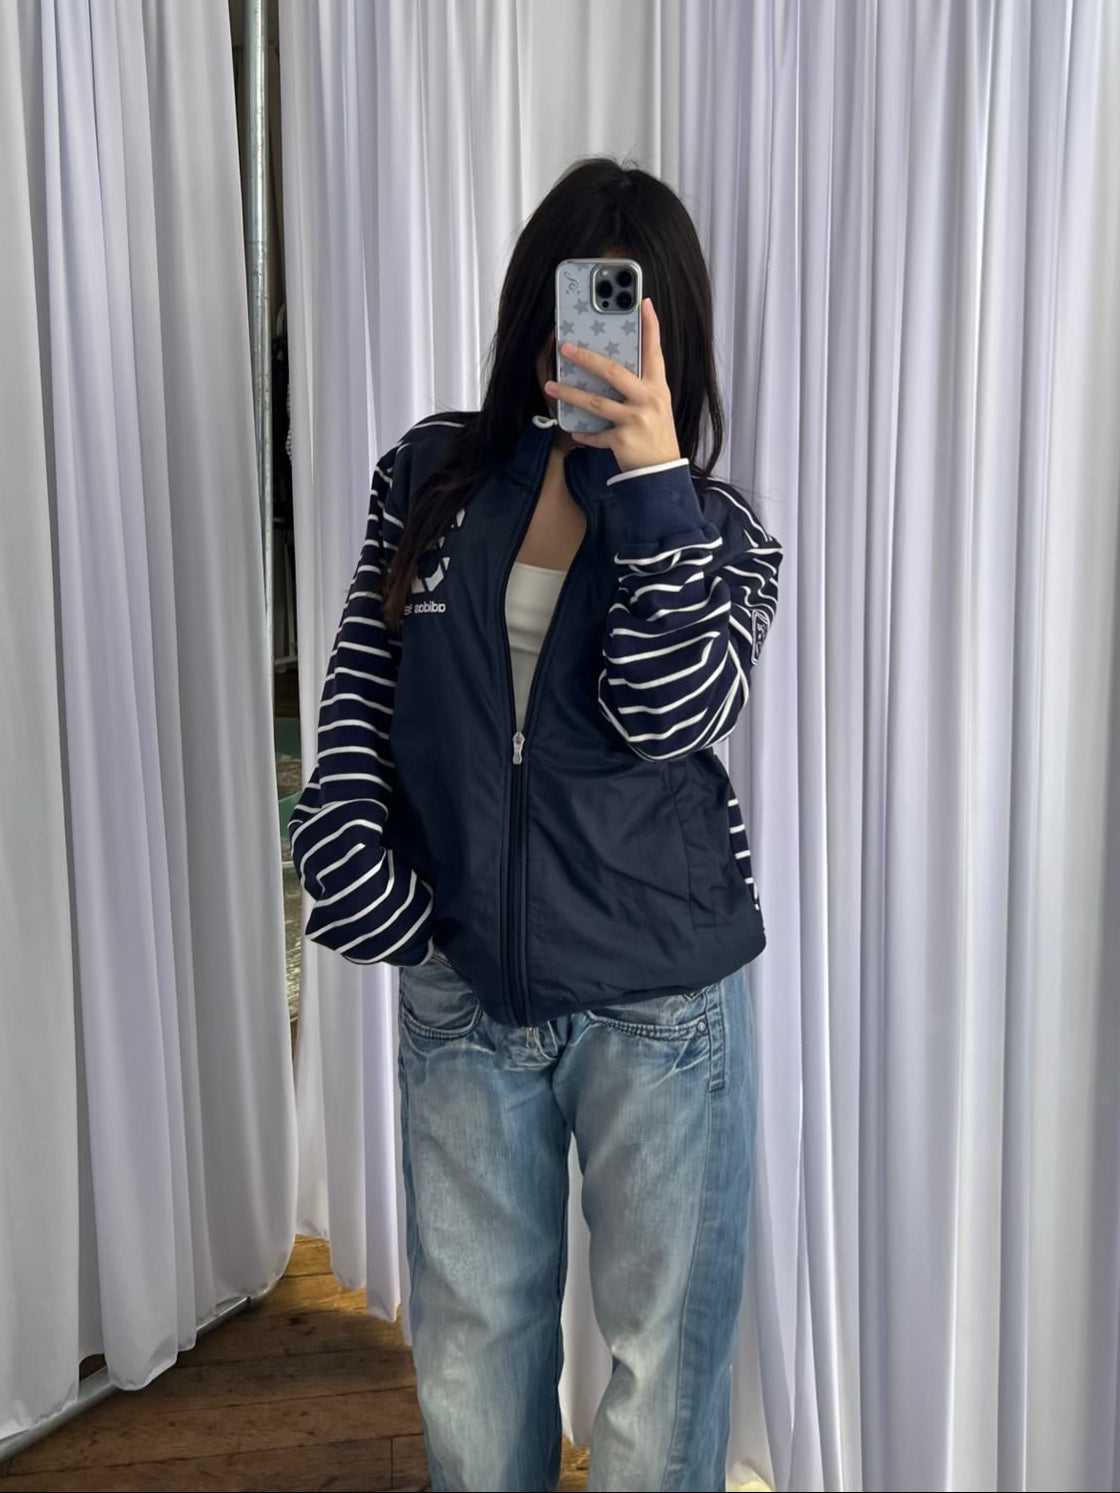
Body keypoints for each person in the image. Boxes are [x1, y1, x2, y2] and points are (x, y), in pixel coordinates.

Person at [289, 158, 782, 1493]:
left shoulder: (722, 534)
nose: (593, 341)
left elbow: (667, 710)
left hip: (661, 1007)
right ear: (533, 312)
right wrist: (345, 841)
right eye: (577, 304)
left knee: (659, 1385)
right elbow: (363, 688)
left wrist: (652, 480)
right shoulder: (428, 477)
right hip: (462, 988)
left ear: (670, 332)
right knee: (471, 1364)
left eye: (626, 313)